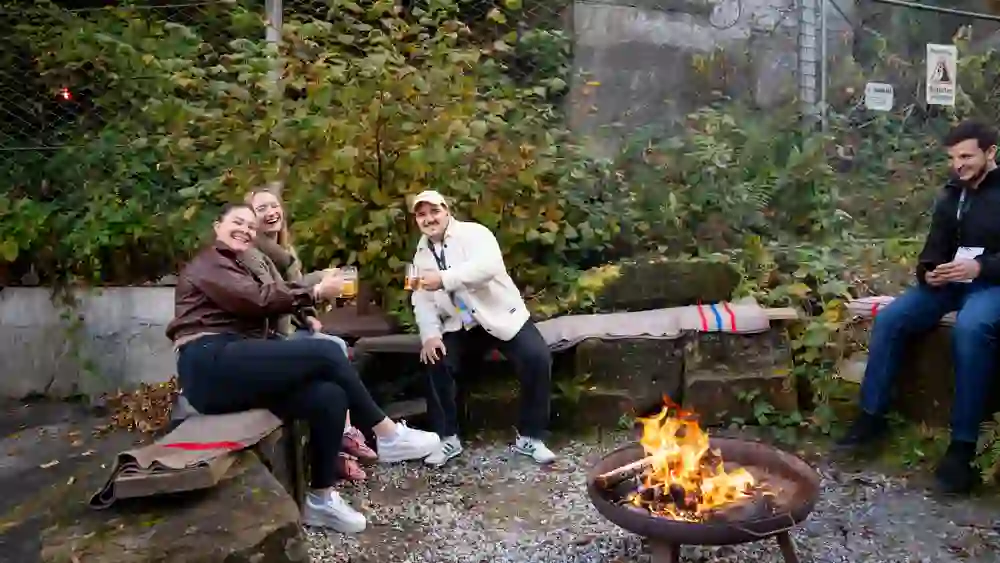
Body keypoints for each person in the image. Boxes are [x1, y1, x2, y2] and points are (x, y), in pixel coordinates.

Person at [167, 203, 441, 533]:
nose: (245, 229)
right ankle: (387, 434)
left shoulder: (240, 265)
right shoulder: (210, 262)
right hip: (207, 363)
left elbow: (266, 300)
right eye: (236, 222)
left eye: (250, 227)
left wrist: (305, 311)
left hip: (233, 368)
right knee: (325, 352)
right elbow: (256, 299)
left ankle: (321, 499)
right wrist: (313, 291)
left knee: (328, 396)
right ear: (216, 227)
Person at [837, 120, 1000, 494]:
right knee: (894, 317)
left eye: (966, 156)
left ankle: (961, 450)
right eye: (952, 158)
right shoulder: (951, 194)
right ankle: (872, 417)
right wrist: (928, 272)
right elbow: (933, 249)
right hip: (950, 283)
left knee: (971, 329)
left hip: (992, 285)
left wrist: (982, 266)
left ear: (990, 153)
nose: (958, 165)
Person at [408, 190, 556, 467]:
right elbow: (420, 299)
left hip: (501, 316)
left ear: (447, 211)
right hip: (460, 324)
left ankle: (531, 437)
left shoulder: (475, 234)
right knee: (435, 359)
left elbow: (489, 267)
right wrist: (429, 335)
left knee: (536, 358)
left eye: (434, 211)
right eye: (422, 214)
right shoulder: (418, 257)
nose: (429, 219)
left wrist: (444, 278)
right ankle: (447, 437)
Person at [245, 187, 375, 481]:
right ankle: (349, 437)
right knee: (334, 350)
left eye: (274, 205)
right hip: (269, 341)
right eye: (261, 208)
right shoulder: (256, 254)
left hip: (289, 331)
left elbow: (296, 291)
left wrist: (312, 316)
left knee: (333, 355)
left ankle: (341, 446)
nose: (270, 212)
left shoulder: (284, 250)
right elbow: (279, 296)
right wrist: (318, 288)